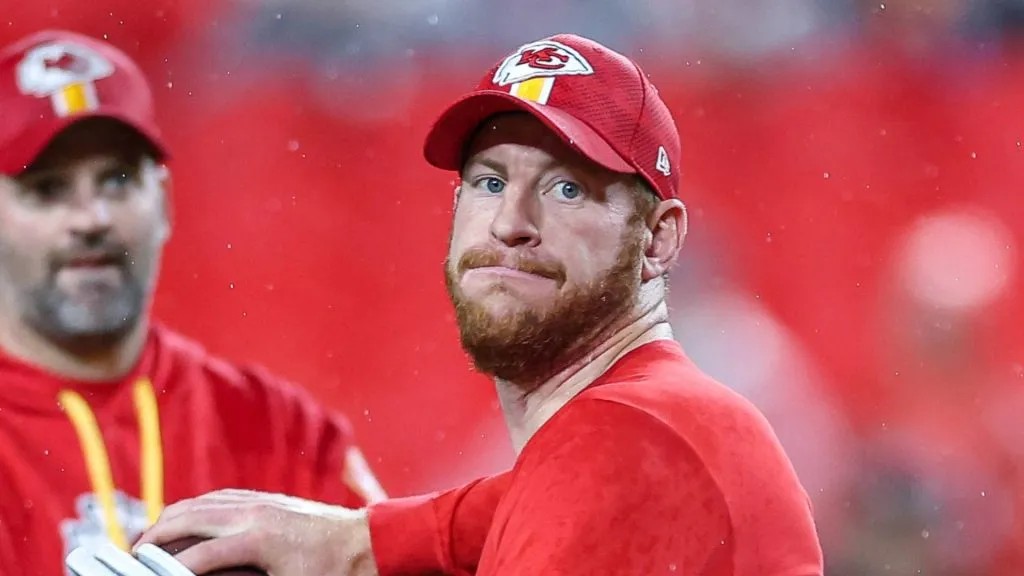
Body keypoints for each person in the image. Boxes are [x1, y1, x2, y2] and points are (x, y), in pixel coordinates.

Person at [90, 33, 825, 575]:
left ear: (659, 242)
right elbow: (470, 521)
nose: (512, 221)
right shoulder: (633, 439)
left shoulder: (630, 441)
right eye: (489, 181)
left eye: (567, 187)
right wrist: (343, 544)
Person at [0, 29, 386, 575]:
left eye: (116, 179)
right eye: (47, 189)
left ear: (164, 202)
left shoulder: (280, 431)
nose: (92, 220)